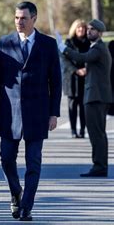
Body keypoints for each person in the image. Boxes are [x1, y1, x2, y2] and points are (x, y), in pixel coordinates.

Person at [0, 1, 61, 222]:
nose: (19, 22)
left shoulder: (47, 44)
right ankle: (15, 192)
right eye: (16, 18)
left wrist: (53, 113)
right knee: (6, 158)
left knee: (34, 161)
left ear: (34, 19)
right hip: (8, 113)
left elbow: (55, 81)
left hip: (37, 113)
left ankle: (26, 206)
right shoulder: (4, 43)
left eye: (24, 18)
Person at [56, 19, 112, 177]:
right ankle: (99, 165)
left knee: (96, 134)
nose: (89, 31)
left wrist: (63, 48)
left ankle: (99, 166)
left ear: (100, 33)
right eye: (88, 29)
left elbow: (81, 58)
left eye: (92, 29)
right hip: (97, 96)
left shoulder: (98, 48)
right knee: (98, 133)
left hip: (96, 97)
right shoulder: (97, 47)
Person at [61, 19, 90, 138]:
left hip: (85, 78)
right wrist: (76, 70)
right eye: (78, 28)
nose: (81, 30)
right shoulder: (68, 43)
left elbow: (91, 57)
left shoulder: (89, 42)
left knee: (84, 106)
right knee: (72, 106)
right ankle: (73, 130)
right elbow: (64, 60)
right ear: (74, 29)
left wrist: (86, 69)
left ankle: (83, 130)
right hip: (71, 79)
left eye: (83, 28)